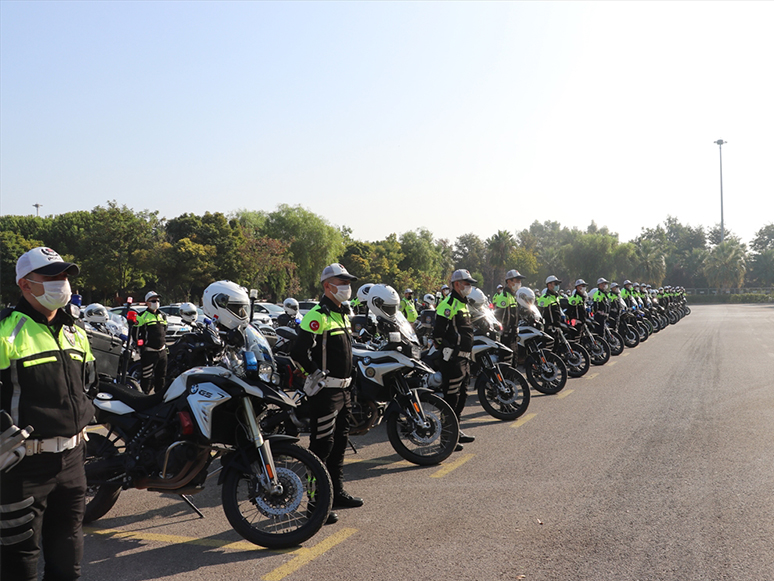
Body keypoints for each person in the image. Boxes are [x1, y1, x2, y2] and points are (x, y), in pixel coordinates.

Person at [1, 247, 96, 581]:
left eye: (65, 275)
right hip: (21, 466)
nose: (62, 283)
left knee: (67, 560)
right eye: (52, 276)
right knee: (19, 562)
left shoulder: (76, 331)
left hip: (72, 462)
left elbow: (87, 388)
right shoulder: (5, 333)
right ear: (25, 284)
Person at [290, 263, 363, 525]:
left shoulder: (342, 313)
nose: (346, 286)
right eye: (341, 282)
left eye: (348, 281)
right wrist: (314, 374)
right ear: (327, 286)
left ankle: (336, 493)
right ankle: (315, 503)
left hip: (344, 391)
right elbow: (298, 351)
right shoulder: (318, 315)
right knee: (321, 447)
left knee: (340, 444)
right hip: (325, 393)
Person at [433, 269, 477, 450]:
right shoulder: (448, 304)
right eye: (466, 283)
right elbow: (437, 335)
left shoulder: (463, 304)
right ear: (456, 284)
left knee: (462, 397)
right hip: (453, 360)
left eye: (470, 284)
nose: (469, 287)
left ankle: (456, 431)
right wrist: (449, 349)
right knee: (451, 398)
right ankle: (446, 438)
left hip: (465, 359)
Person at [135, 291, 168, 394]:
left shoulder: (162, 316)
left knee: (161, 377)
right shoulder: (141, 316)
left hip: (162, 352)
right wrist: (140, 347)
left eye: (157, 300)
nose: (156, 302)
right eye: (153, 300)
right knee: (147, 378)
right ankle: (144, 398)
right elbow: (135, 333)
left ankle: (159, 399)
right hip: (149, 352)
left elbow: (164, 330)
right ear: (147, 302)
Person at [494, 270, 526, 363]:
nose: (518, 283)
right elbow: (498, 316)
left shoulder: (513, 296)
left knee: (514, 359)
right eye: (516, 280)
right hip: (506, 335)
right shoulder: (504, 296)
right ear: (509, 281)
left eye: (519, 281)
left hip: (513, 335)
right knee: (506, 361)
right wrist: (504, 331)